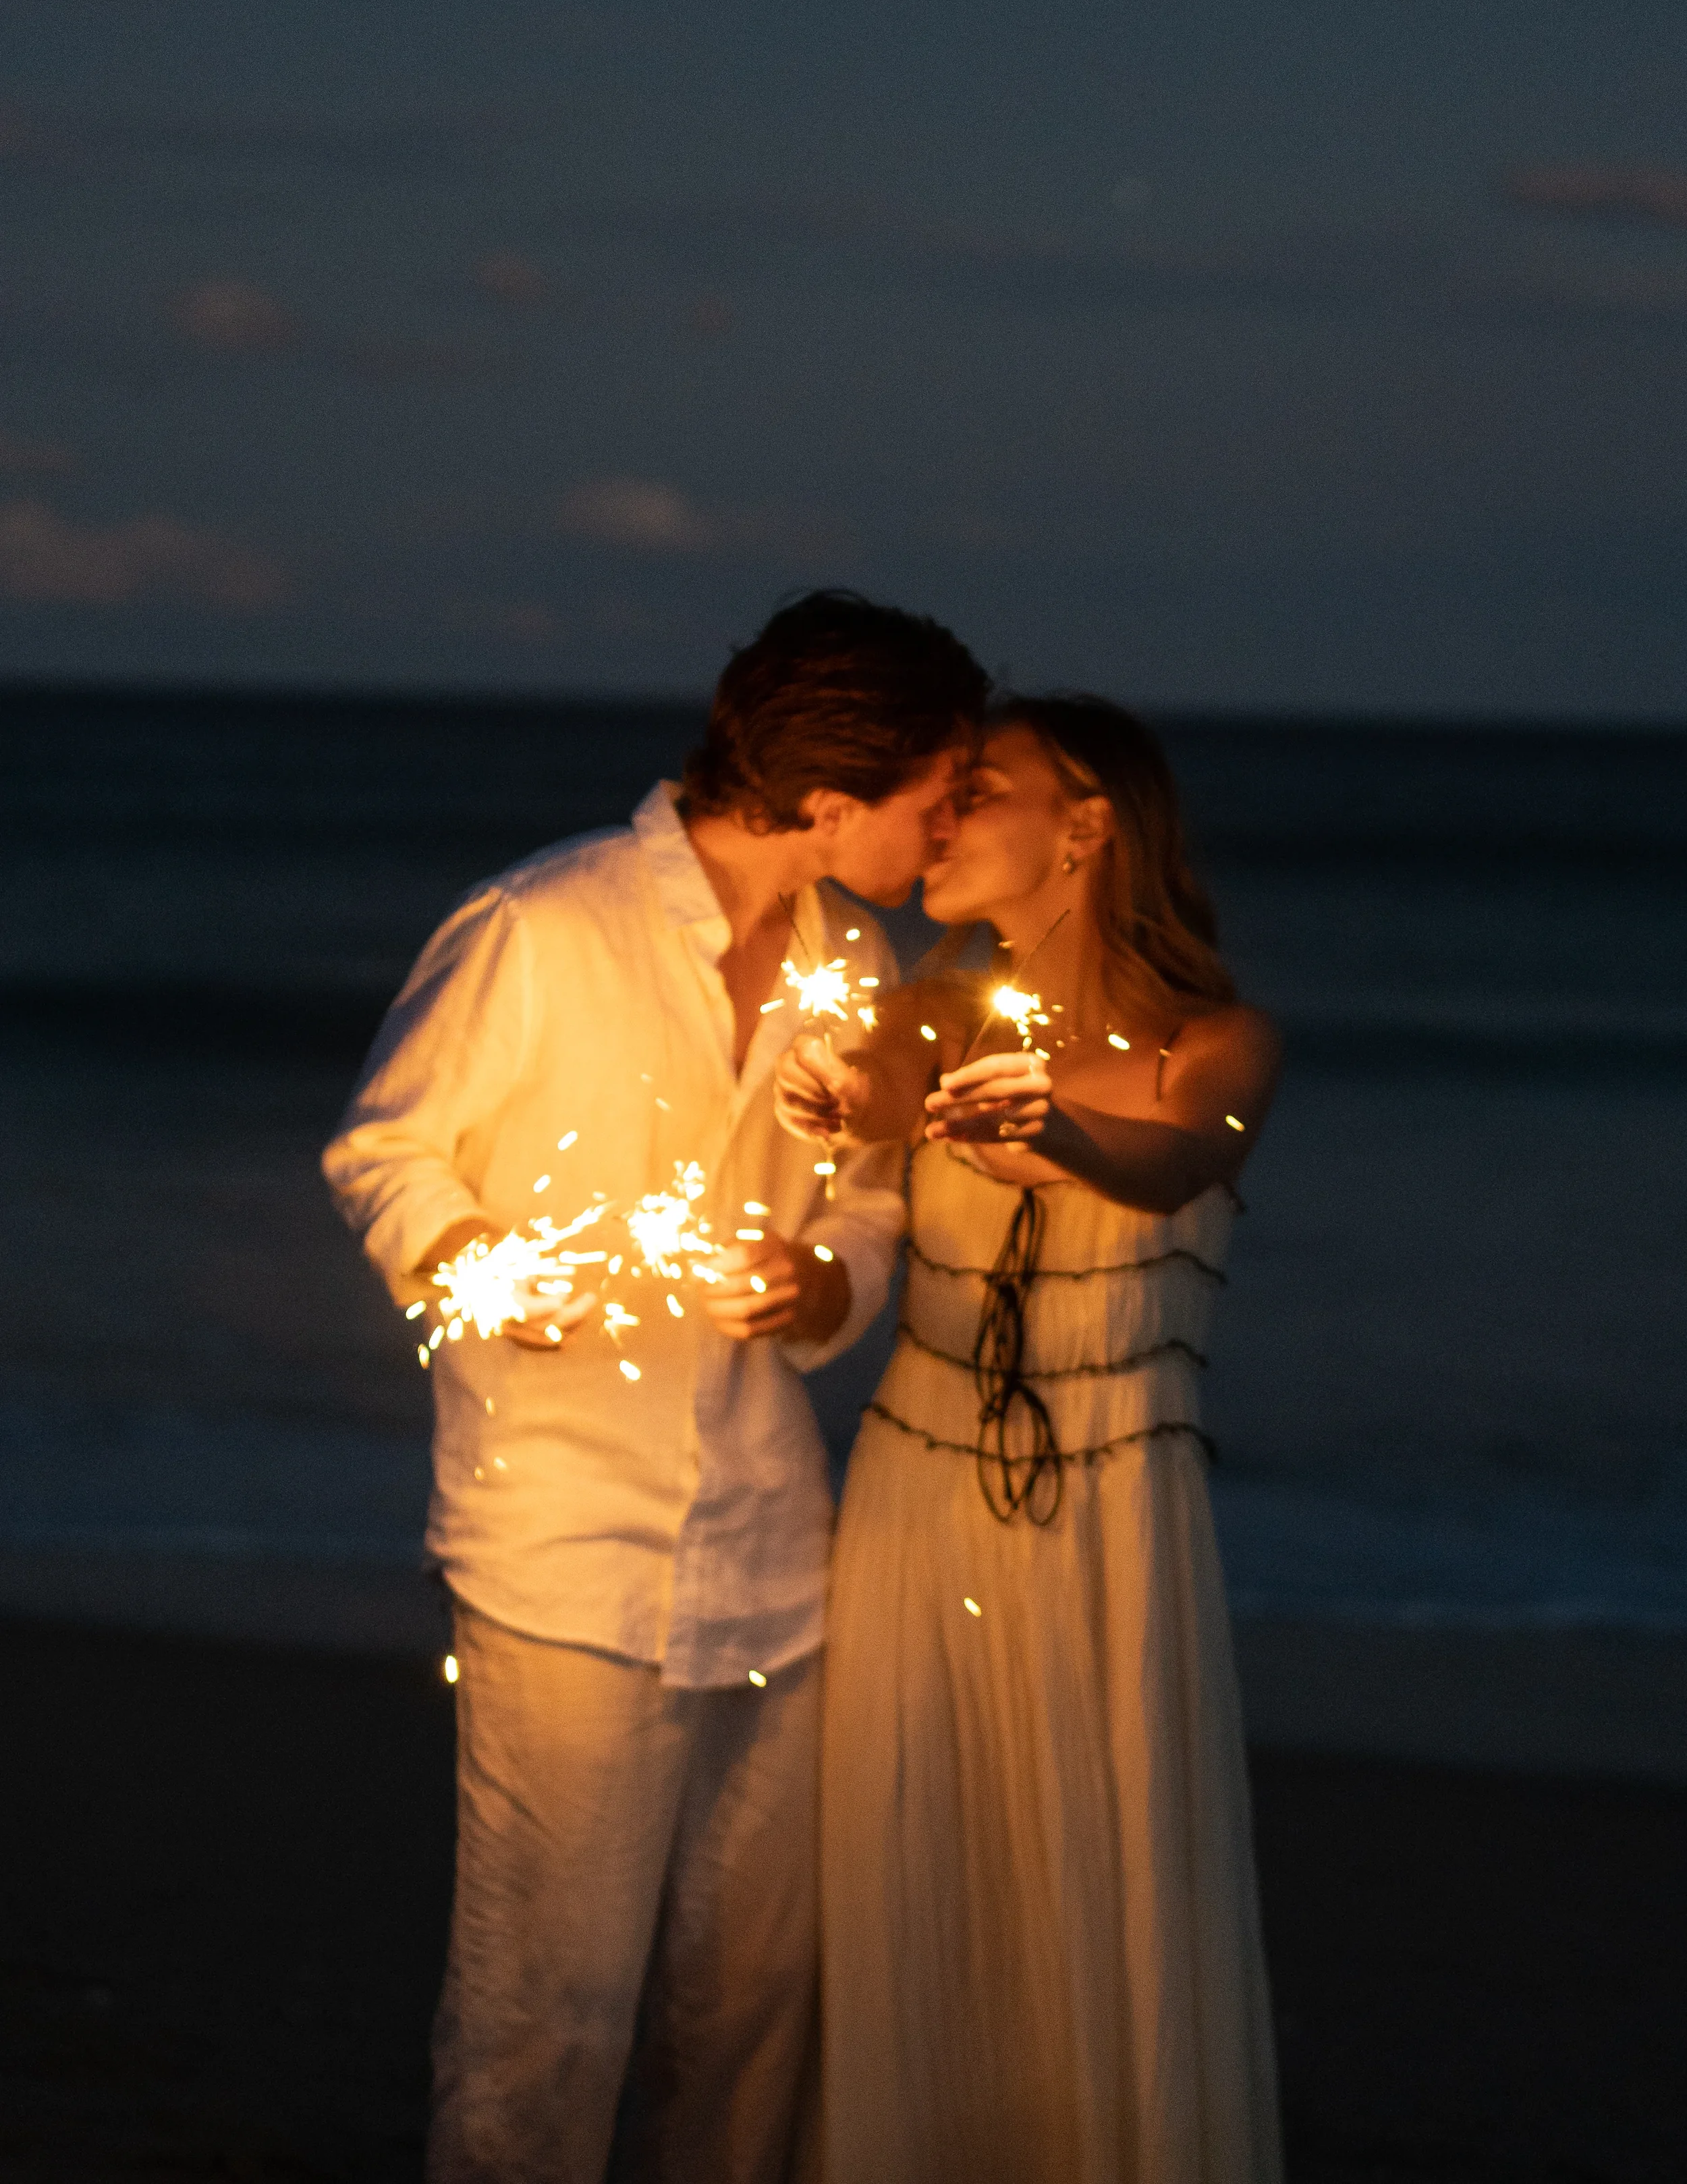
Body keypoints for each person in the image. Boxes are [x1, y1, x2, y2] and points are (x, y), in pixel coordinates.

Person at [321, 591, 987, 2184]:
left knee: (751, 2010)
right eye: (937, 792)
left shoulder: (853, 953)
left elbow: (870, 1197)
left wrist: (823, 1281)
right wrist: (482, 1264)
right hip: (565, 1559)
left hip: (779, 1558)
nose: (951, 823)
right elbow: (383, 1148)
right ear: (831, 800)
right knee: (543, 2019)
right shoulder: (542, 926)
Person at [775, 694, 1285, 2184]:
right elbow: (854, 1099)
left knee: (1101, 1880)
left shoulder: (1218, 1041)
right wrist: (828, 1101)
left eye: (977, 789)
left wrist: (1053, 1130)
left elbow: (1177, 1154)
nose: (940, 820)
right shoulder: (930, 1015)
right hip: (914, 1500)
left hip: (1114, 1517)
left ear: (1086, 824)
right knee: (917, 1872)